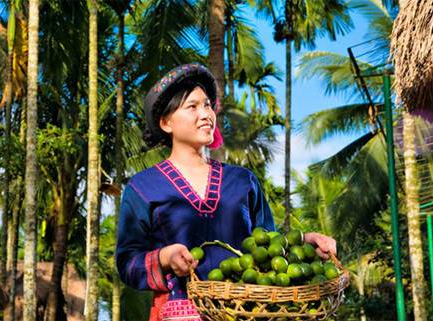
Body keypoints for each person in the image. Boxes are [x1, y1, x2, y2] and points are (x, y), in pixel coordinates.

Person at [115, 63, 336, 321]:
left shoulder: (243, 181)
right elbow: (128, 263)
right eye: (193, 106)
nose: (206, 113)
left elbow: (268, 246)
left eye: (208, 105)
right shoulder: (143, 187)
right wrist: (165, 257)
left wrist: (305, 240)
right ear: (166, 123)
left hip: (248, 313)